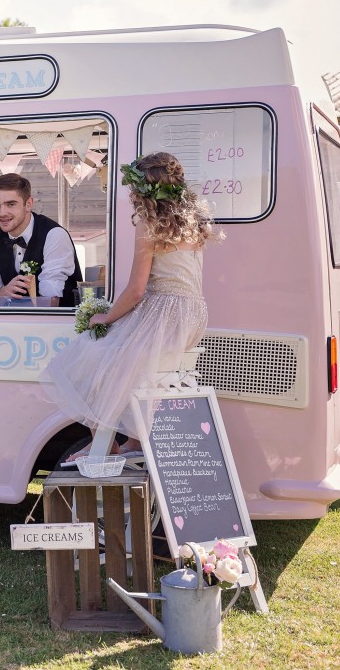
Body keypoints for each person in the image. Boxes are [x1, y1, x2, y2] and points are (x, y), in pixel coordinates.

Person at [42, 152, 220, 459]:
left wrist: (106, 316)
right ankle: (135, 442)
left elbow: (137, 290)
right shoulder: (191, 220)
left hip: (163, 312)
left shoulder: (150, 224)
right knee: (131, 366)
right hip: (191, 314)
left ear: (143, 191)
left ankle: (104, 443)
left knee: (92, 357)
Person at [0, 173, 82, 307]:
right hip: (13, 321)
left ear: (28, 204)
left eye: (10, 204)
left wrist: (2, 300)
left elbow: (51, 302)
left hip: (60, 323)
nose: (2, 213)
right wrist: (2, 294)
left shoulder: (54, 235)